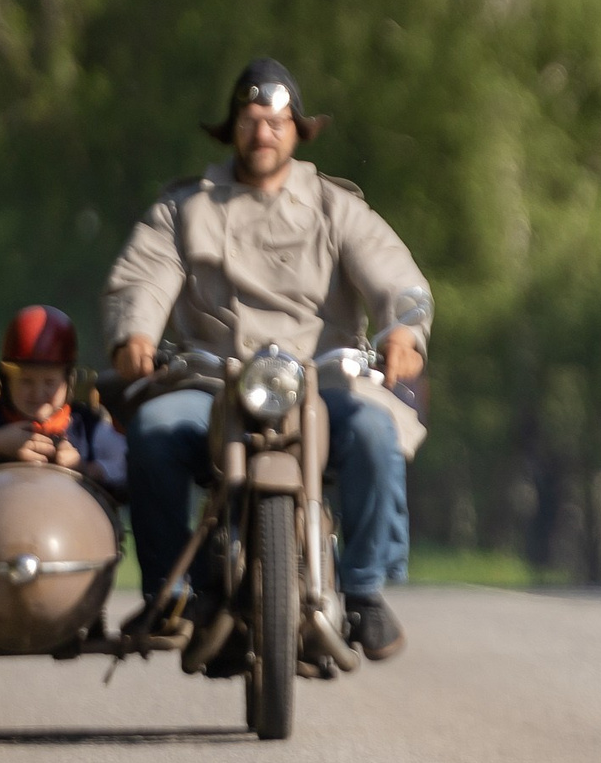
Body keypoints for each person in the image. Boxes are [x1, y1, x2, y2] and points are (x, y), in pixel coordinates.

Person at [101, 58, 432, 663]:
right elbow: (143, 277)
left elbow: (396, 276)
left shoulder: (335, 206)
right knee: (151, 432)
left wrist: (404, 334)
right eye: (250, 120)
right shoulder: (186, 208)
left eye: (276, 121)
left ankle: (365, 591)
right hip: (211, 378)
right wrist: (135, 335)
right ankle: (172, 591)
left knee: (374, 433)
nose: (263, 133)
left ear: (297, 131)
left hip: (320, 379)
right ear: (231, 129)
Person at [0, 305, 127, 494]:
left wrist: (85, 468)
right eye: (26, 381)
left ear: (68, 381)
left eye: (49, 382)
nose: (38, 393)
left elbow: (127, 465)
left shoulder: (88, 426)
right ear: (5, 380)